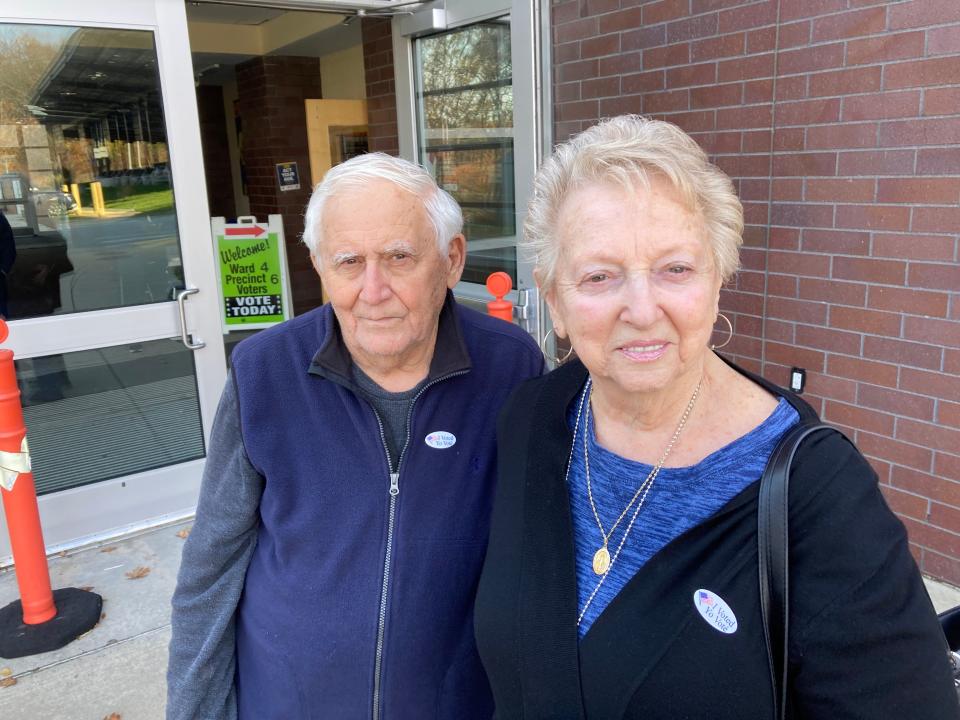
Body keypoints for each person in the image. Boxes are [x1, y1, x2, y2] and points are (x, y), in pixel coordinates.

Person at [473, 116, 958, 719]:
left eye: (675, 269)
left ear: (718, 279)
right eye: (600, 276)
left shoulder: (817, 492)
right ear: (555, 301)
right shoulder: (534, 419)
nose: (642, 309)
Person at [167, 152, 543, 719]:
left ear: (451, 260)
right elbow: (211, 567)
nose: (373, 289)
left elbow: (538, 560)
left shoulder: (513, 369)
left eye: (399, 257)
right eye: (348, 261)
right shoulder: (263, 372)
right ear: (319, 266)